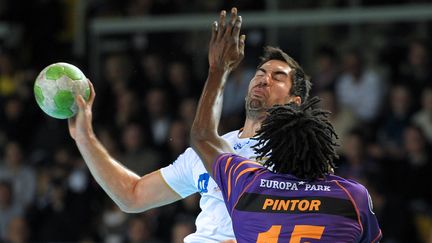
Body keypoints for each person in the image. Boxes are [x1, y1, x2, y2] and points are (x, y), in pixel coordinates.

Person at [68, 7, 309, 242]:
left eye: (278, 77)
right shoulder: (206, 153)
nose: (264, 79)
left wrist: (218, 69)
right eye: (260, 73)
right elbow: (132, 196)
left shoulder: (295, 153)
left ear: (294, 102)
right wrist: (85, 138)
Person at [189, 11, 382, 242]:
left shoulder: (247, 185)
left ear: (272, 153)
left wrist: (218, 69)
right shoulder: (352, 196)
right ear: (325, 153)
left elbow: (202, 137)